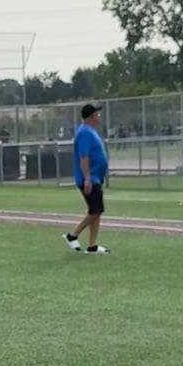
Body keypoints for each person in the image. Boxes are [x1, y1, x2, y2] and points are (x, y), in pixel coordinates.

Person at [63, 103, 110, 254]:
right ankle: (72, 235)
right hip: (90, 179)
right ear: (91, 116)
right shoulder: (84, 132)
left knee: (96, 211)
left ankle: (92, 246)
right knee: (96, 211)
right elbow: (84, 157)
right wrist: (87, 178)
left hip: (96, 177)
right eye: (97, 114)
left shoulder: (90, 131)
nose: (99, 116)